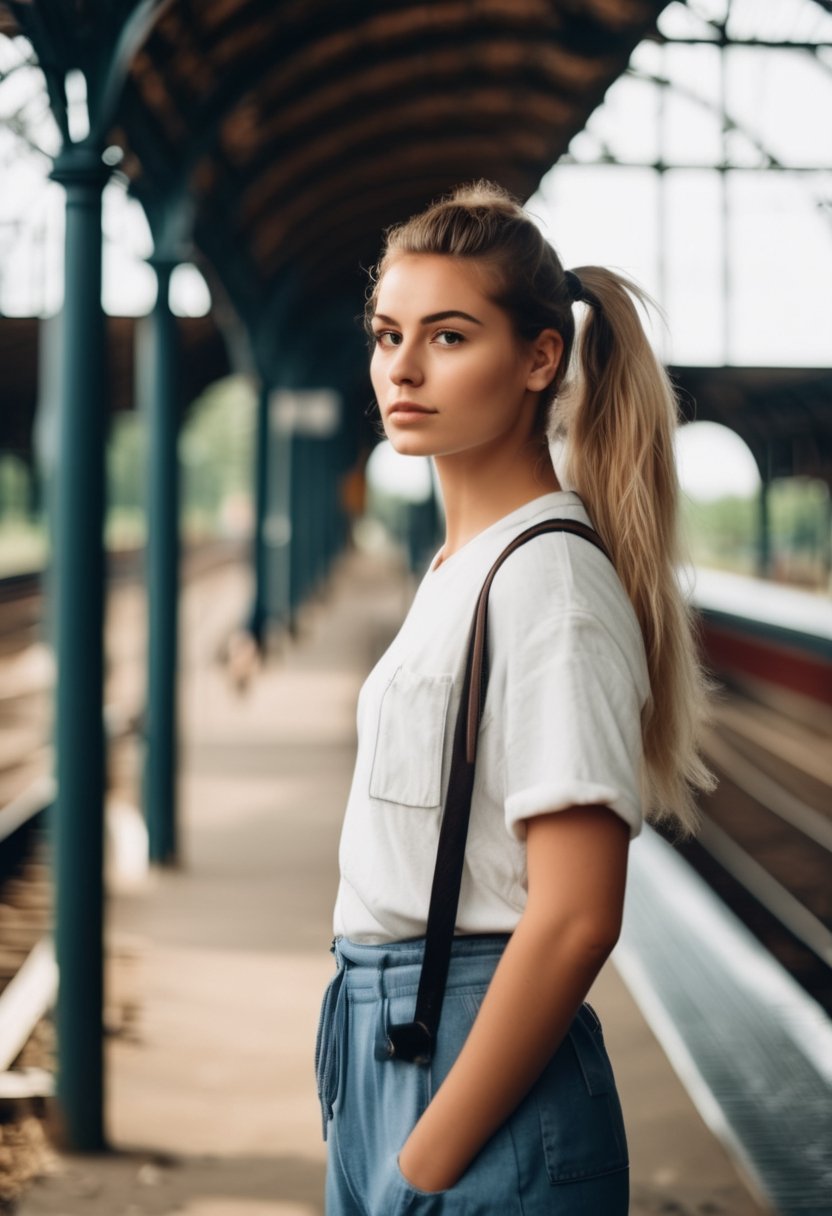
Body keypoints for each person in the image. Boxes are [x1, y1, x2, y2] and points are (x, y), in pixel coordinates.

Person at [316, 181, 713, 1215]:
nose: (400, 368)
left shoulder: (549, 586)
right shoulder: (465, 565)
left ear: (540, 358)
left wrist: (423, 1160)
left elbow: (577, 915)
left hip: (471, 1082)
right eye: (386, 333)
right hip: (388, 1053)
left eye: (447, 336)